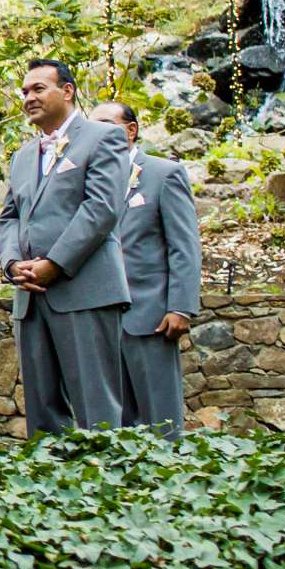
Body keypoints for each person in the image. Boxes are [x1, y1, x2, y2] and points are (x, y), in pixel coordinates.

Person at [0, 59, 133, 437]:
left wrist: (54, 263)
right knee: (42, 413)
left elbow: (101, 208)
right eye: (24, 91)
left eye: (38, 88)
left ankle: (106, 488)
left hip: (84, 291)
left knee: (97, 410)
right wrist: (12, 264)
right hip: (31, 297)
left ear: (68, 91)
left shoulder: (104, 138)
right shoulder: (22, 157)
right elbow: (9, 217)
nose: (28, 98)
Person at [90, 100, 200, 436]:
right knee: (110, 424)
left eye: (107, 124)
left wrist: (180, 306)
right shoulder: (89, 178)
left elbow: (184, 245)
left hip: (150, 315)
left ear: (131, 130)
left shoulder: (163, 174)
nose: (99, 134)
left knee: (161, 421)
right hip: (99, 317)